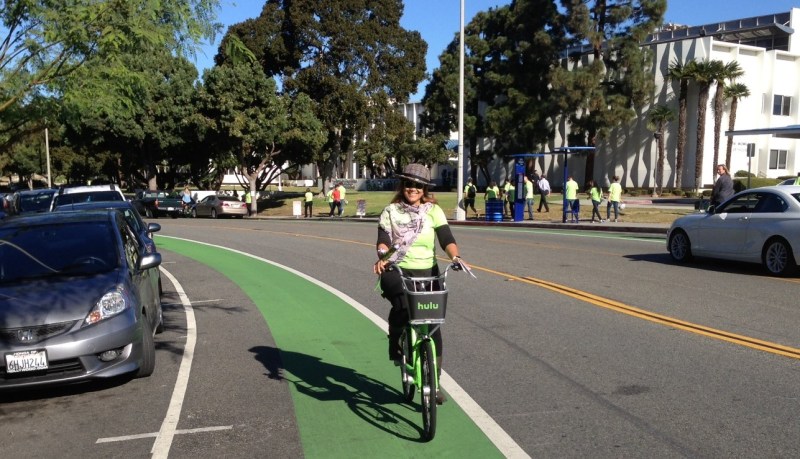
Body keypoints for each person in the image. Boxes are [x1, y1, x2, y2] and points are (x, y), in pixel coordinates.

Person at [373, 163, 466, 405]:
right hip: (397, 269)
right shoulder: (391, 211)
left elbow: (446, 238)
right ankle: (396, 344)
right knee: (403, 308)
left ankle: (433, 383)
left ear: (424, 188)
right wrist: (383, 255)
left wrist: (455, 257)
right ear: (403, 185)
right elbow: (383, 241)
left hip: (428, 272)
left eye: (418, 185)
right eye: (408, 184)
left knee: (433, 324)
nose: (413, 188)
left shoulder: (432, 211)